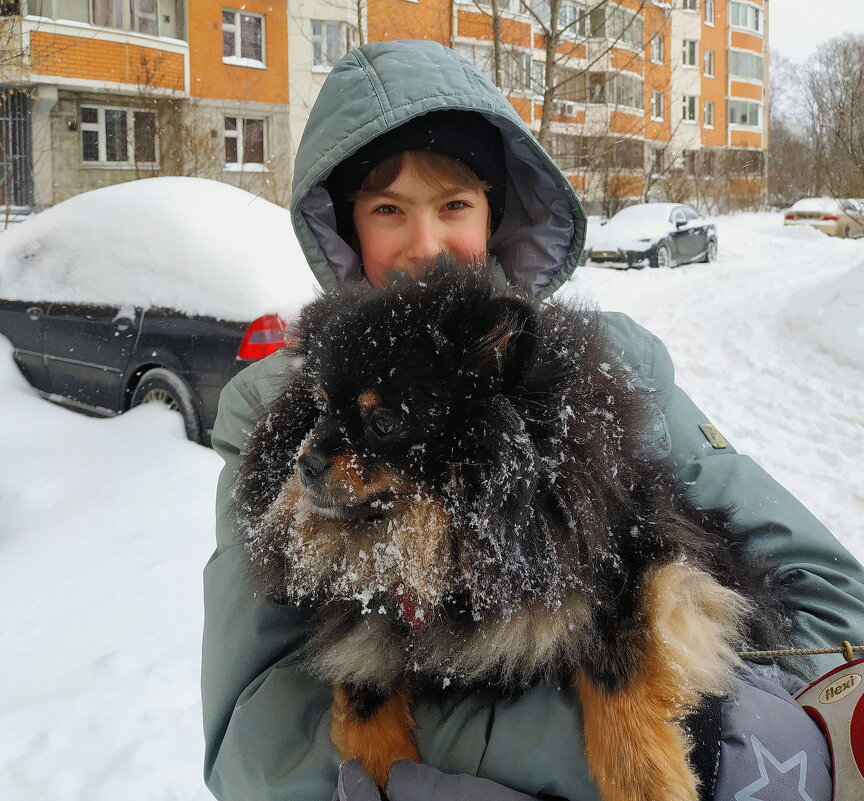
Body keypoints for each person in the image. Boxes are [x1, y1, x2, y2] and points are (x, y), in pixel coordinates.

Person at [201, 40, 863, 801]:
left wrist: (782, 735)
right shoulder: (281, 413)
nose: (427, 245)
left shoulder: (610, 361)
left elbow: (830, 597)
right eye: (389, 210)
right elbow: (253, 742)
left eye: (454, 204)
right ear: (346, 228)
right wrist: (567, 753)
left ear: (495, 212)